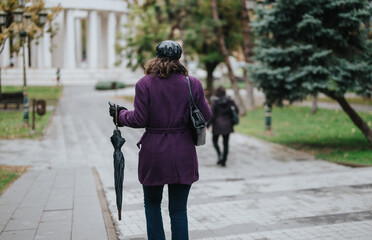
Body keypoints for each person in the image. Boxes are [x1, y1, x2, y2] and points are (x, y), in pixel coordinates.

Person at [109, 40, 211, 240]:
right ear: (179, 59)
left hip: (154, 152)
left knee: (152, 204)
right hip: (184, 151)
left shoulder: (144, 84)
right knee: (179, 209)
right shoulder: (193, 84)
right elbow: (205, 116)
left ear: (156, 57)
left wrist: (119, 115)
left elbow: (139, 119)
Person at [207, 86, 239, 167]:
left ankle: (219, 155)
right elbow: (236, 110)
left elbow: (212, 115)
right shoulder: (229, 100)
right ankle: (224, 160)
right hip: (228, 124)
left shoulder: (214, 101)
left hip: (217, 125)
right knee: (226, 143)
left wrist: (208, 124)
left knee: (214, 141)